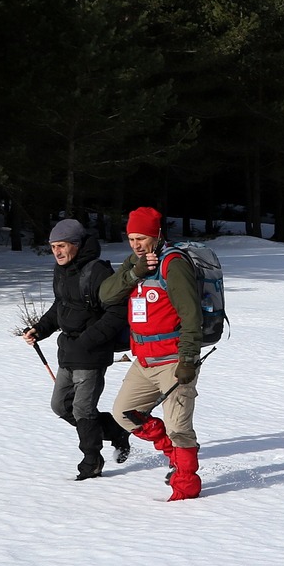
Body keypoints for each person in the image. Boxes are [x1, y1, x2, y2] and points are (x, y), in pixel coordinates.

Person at [100, 207, 205, 502]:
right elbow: (106, 295)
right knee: (124, 413)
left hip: (173, 360)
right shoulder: (134, 263)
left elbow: (191, 315)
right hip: (144, 360)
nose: (135, 244)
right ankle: (171, 453)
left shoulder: (173, 263)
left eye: (142, 238)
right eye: (131, 238)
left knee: (179, 428)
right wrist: (135, 272)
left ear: (157, 235)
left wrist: (188, 359)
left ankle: (186, 490)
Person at [23, 218, 132, 480]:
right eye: (52, 247)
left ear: (76, 244)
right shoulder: (62, 270)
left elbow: (117, 312)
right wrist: (41, 328)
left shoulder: (98, 272)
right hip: (69, 351)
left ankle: (91, 461)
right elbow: (61, 305)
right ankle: (116, 430)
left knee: (83, 409)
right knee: (61, 406)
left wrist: (89, 340)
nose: (57, 252)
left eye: (61, 246)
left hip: (92, 353)